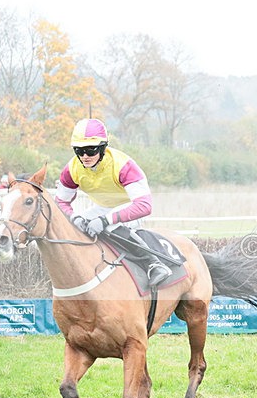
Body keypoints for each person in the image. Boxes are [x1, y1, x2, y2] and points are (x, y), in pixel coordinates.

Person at [54, 118, 172, 287]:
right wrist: (75, 218)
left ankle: (154, 264)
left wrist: (105, 220)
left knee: (109, 227)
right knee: (73, 228)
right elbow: (61, 202)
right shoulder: (71, 169)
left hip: (130, 208)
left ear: (102, 148)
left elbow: (144, 206)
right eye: (79, 150)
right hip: (101, 208)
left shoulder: (123, 165)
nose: (85, 156)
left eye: (90, 150)